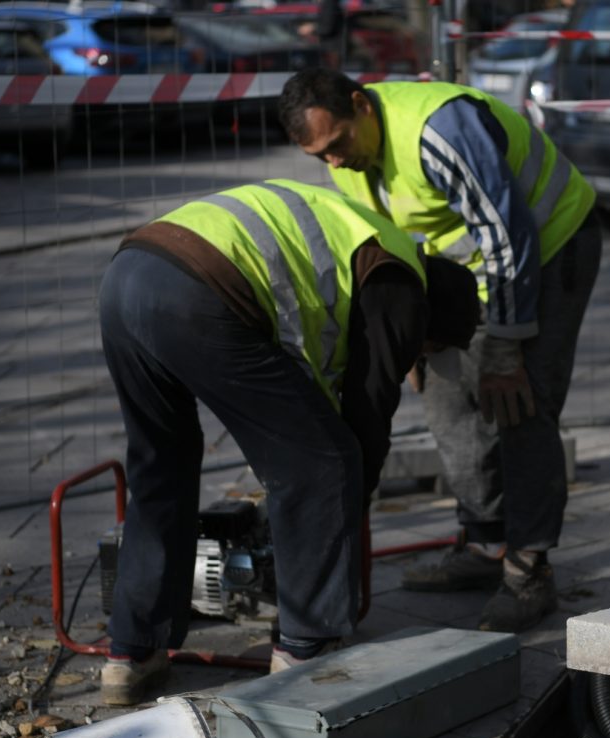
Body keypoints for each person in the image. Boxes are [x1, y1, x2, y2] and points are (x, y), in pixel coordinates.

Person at [97, 178, 479, 706]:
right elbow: (366, 422)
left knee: (161, 464)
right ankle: (306, 649)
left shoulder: (372, 240)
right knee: (326, 465)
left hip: (127, 276)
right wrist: (341, 510)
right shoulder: (402, 284)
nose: (418, 359)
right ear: (432, 323)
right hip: (200, 290)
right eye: (427, 350)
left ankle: (131, 653)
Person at [277, 69, 602, 633]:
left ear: (361, 106)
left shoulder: (439, 130)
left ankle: (529, 570)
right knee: (449, 404)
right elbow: (397, 246)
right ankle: (484, 546)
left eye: (338, 145)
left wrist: (504, 348)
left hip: (549, 249)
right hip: (471, 275)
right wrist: (415, 336)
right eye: (319, 157)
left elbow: (508, 234)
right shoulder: (352, 161)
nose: (334, 164)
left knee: (521, 405)